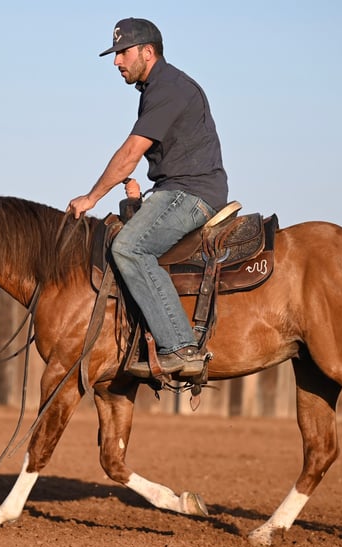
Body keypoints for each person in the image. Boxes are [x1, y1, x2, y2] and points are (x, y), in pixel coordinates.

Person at [68, 17, 229, 377]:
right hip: (175, 187)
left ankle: (180, 346)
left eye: (122, 53)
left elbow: (131, 151)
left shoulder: (169, 87)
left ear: (148, 51)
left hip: (191, 192)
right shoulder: (159, 88)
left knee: (129, 247)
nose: (116, 62)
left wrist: (92, 197)